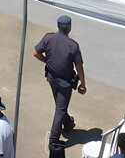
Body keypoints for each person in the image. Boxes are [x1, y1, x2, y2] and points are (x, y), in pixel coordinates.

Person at [34, 14, 87, 153]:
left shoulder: (48, 38)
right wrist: (83, 83)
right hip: (65, 83)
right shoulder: (73, 46)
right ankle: (53, 140)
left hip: (51, 78)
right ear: (69, 27)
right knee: (60, 109)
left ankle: (68, 123)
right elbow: (79, 66)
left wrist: (47, 61)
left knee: (60, 106)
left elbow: (35, 52)